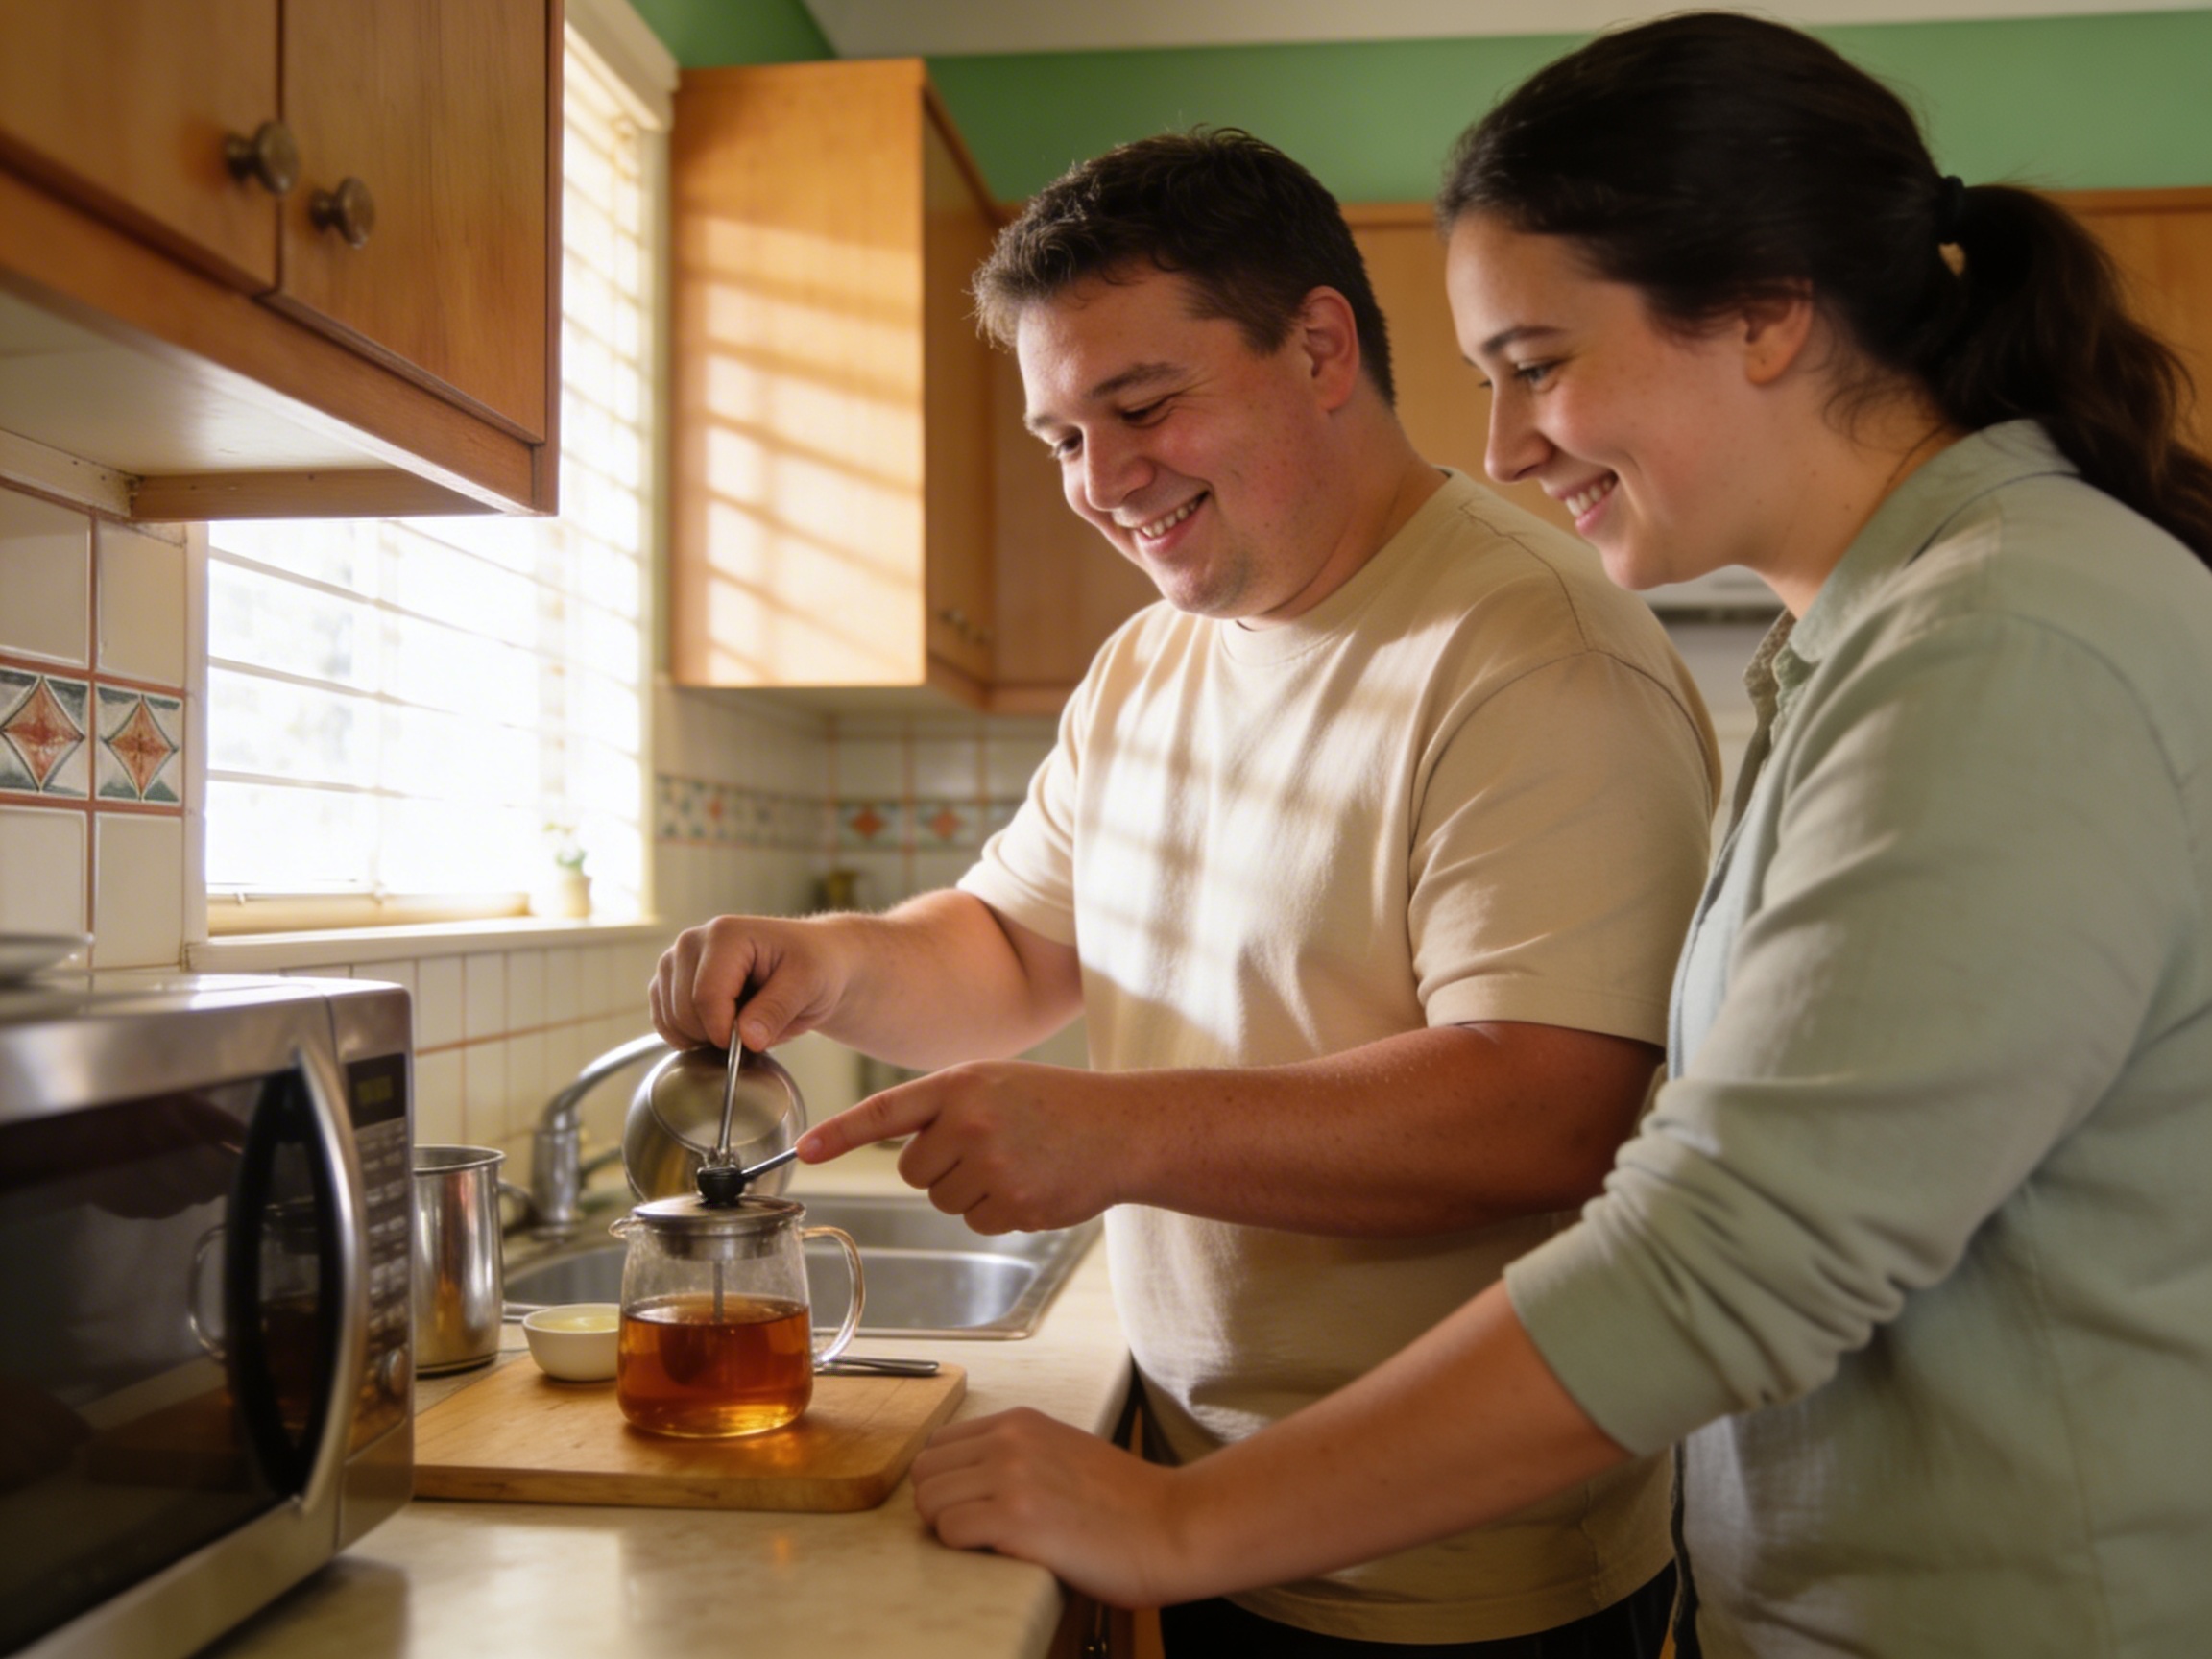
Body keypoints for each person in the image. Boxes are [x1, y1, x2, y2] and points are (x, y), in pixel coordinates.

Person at [901, 13, 2212, 1658]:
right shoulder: (1895, 633)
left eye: (1539, 364)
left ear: (1765, 311)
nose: (1509, 448)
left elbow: (1725, 1254)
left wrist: (1184, 1521)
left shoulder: (2005, 640)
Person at [652, 131, 1720, 1651]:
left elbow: (1553, 1107)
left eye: (1141, 408)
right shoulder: (1152, 660)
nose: (1103, 481)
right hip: (1206, 1503)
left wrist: (1117, 1133)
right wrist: (828, 962)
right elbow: (1017, 944)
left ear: (1320, 346)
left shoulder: (1529, 651)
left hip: (1456, 1577)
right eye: (1061, 439)